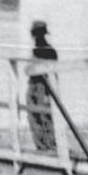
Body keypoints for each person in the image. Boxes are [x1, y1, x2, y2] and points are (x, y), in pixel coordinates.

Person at [28, 19, 59, 152]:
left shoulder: (49, 51)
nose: (37, 38)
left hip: (43, 87)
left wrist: (49, 92)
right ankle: (41, 145)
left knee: (45, 115)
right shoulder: (35, 50)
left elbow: (52, 72)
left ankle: (49, 144)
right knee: (33, 115)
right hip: (33, 85)